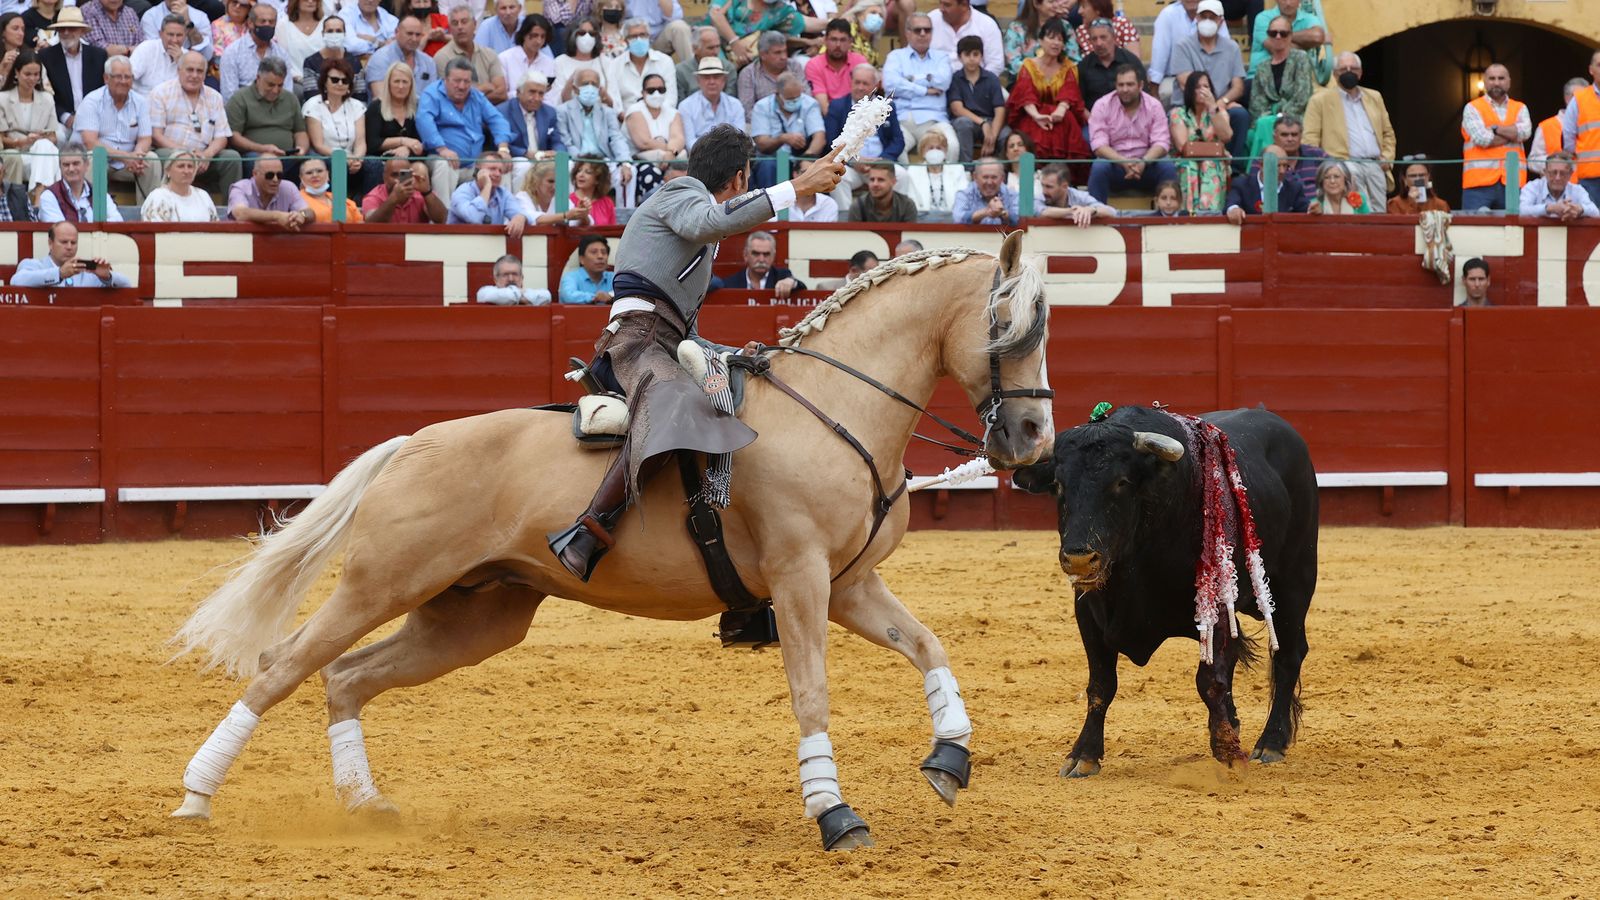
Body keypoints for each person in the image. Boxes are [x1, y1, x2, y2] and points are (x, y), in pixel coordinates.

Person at [547, 123, 844, 581]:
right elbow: (710, 223)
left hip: (661, 340)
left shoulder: (688, 216)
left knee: (741, 389)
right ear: (740, 178)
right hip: (637, 340)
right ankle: (590, 528)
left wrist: (725, 352)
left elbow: (686, 331)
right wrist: (797, 186)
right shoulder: (680, 193)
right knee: (677, 410)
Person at [1303, 51, 1394, 209]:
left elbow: (1388, 133)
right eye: (1343, 69)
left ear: (1360, 73)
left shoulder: (1374, 97)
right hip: (1343, 165)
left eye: (1353, 68)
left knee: (1380, 214)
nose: (1349, 72)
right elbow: (1310, 139)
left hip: (1375, 165)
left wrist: (1387, 158)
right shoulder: (1319, 100)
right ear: (1335, 74)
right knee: (1358, 211)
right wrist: (1328, 167)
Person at [1166, 0, 1247, 170]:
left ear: (1221, 21)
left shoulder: (1232, 47)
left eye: (1213, 17)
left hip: (1219, 105)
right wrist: (1213, 106)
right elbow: (1186, 83)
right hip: (1188, 105)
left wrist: (1219, 104)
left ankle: (1235, 170)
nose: (1208, 21)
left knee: (1240, 115)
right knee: (1176, 116)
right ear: (1197, 18)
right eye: (1204, 16)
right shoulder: (1183, 46)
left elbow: (1238, 86)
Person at [1006, 19, 1091, 174]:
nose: (1056, 43)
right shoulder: (1029, 65)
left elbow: (1069, 92)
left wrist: (1060, 110)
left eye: (1060, 39)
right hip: (1033, 114)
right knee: (1032, 135)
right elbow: (1025, 93)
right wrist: (1037, 115)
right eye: (1051, 38)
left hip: (1060, 115)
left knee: (1066, 128)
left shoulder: (1069, 67)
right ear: (1040, 40)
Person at [419, 57, 513, 197]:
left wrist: (503, 148)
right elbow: (424, 121)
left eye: (467, 81)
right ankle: (444, 216)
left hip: (474, 164)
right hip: (442, 158)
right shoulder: (432, 94)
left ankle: (504, 216)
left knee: (501, 164)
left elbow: (497, 119)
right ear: (445, 79)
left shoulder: (476, 96)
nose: (462, 86)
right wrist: (442, 149)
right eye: (457, 81)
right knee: (444, 165)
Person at [150, 51, 244, 190]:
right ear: (179, 71)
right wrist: (184, 153)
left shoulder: (215, 97)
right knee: (162, 156)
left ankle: (232, 208)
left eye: (199, 71)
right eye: (190, 70)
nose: (194, 75)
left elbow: (222, 137)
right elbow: (156, 135)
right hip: (171, 152)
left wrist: (207, 155)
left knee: (232, 158)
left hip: (203, 157)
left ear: (205, 74)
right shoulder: (161, 92)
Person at [1087, 63, 1175, 202]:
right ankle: (1096, 215)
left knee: (1167, 165)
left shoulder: (1154, 106)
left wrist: (1143, 162)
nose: (1125, 89)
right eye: (1120, 85)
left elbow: (1162, 143)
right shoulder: (1102, 105)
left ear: (1140, 85)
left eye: (1130, 84)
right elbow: (1099, 145)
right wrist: (1123, 162)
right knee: (1099, 166)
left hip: (1146, 166)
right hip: (1115, 166)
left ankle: (1169, 219)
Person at [822, 63, 901, 209]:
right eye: (857, 82)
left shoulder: (886, 106)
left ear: (875, 85)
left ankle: (898, 220)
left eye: (865, 83)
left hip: (881, 164)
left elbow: (898, 141)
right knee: (836, 178)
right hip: (851, 167)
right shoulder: (837, 106)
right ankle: (845, 222)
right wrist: (852, 160)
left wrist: (882, 161)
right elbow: (830, 142)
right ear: (851, 82)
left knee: (904, 176)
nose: (860, 87)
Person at [882, 13, 957, 163]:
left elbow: (943, 82)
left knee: (952, 146)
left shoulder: (941, 57)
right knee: (893, 149)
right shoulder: (895, 56)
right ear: (907, 33)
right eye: (918, 30)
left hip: (933, 120)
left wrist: (910, 79)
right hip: (901, 121)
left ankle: (946, 184)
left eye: (927, 30)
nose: (923, 34)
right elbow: (890, 85)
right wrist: (925, 90)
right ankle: (910, 185)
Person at [1460, 64, 1530, 213]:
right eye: (1492, 78)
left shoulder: (1520, 107)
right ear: (1485, 81)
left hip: (1513, 182)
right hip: (1478, 184)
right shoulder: (1472, 108)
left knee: (1513, 231)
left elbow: (1525, 133)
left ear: (1509, 81)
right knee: (1475, 231)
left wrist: (1495, 129)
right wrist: (1512, 135)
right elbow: (1482, 139)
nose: (1497, 82)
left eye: (1501, 78)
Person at [227, 56, 310, 181]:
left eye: (280, 85)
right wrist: (262, 149)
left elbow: (300, 131)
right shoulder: (240, 98)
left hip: (289, 155)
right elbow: (234, 136)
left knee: (316, 161)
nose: (275, 90)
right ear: (258, 78)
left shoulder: (290, 98)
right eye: (270, 85)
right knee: (256, 162)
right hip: (256, 154)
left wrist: (301, 148)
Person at [1168, 71, 1232, 215]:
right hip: (1185, 162)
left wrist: (1212, 109)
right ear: (1190, 90)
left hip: (1215, 162)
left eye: (1206, 86)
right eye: (1198, 87)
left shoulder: (1219, 112)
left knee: (1210, 164)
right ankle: (1188, 214)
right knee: (1190, 165)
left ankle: (1210, 214)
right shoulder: (1178, 113)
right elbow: (1183, 147)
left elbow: (1227, 136)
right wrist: (1212, 148)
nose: (1202, 90)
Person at [749, 72, 823, 188]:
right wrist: (782, 139)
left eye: (798, 97)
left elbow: (820, 137)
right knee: (768, 165)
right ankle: (769, 205)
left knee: (811, 167)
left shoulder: (810, 104)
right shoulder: (761, 107)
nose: (795, 101)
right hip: (772, 159)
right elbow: (762, 143)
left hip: (801, 155)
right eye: (790, 99)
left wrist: (806, 158)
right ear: (777, 94)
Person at [40, 8, 105, 137]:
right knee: (58, 137)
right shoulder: (46, 57)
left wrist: (90, 117)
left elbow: (104, 91)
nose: (66, 32)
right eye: (62, 29)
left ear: (82, 31)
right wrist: (66, 117)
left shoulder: (98, 56)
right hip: (61, 121)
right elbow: (45, 93)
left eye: (72, 28)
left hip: (95, 119)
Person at [302, 56, 365, 186]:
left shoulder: (357, 106)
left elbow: (360, 142)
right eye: (335, 80)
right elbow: (318, 145)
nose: (340, 84)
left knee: (374, 165)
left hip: (352, 158)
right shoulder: (313, 105)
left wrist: (357, 158)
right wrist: (343, 157)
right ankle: (338, 205)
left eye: (345, 80)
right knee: (338, 164)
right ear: (325, 82)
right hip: (327, 157)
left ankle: (367, 204)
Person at [0, 50, 57, 192]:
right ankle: (35, 198)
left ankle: (39, 196)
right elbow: (1, 139)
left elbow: (53, 136)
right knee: (39, 153)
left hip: (38, 154)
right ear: (17, 73)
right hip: (13, 152)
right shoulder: (3, 98)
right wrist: (22, 142)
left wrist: (39, 139)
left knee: (45, 146)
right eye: (28, 74)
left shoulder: (47, 99)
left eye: (36, 74)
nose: (32, 79)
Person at [12, 222, 133, 287]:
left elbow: (127, 285)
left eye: (73, 242)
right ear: (50, 243)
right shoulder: (34, 265)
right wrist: (59, 274)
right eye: (64, 242)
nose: (69, 247)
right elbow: (16, 281)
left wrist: (107, 277)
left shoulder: (88, 272)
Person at [622, 71, 681, 202]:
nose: (656, 94)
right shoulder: (635, 110)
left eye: (661, 90)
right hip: (639, 162)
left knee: (681, 173)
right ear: (643, 92)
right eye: (651, 90)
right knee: (651, 173)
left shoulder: (672, 112)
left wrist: (671, 153)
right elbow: (643, 143)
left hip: (669, 160)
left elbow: (678, 138)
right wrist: (670, 150)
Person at [948, 34, 1006, 163]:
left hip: (990, 121)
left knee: (1007, 135)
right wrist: (982, 123)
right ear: (959, 57)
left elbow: (1000, 110)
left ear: (981, 56)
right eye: (967, 55)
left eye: (975, 54)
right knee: (963, 123)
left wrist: (993, 136)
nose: (972, 59)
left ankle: (1002, 172)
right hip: (968, 121)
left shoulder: (991, 78)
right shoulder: (955, 79)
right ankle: (966, 169)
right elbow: (957, 109)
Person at [219, 4, 296, 101]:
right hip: (245, 109)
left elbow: (287, 91)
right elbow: (229, 95)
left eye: (271, 22)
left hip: (276, 110)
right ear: (251, 23)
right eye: (263, 21)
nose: (267, 25)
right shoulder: (232, 53)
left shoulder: (281, 54)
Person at [434, 3, 507, 104]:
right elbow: (452, 97)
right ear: (450, 29)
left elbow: (502, 94)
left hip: (489, 116)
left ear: (475, 24)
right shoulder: (442, 57)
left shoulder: (490, 54)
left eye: (464, 22)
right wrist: (485, 87)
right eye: (455, 23)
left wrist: (470, 94)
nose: (460, 27)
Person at [37, 143, 124, 222]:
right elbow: (60, 230)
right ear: (60, 167)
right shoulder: (49, 196)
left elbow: (118, 221)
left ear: (86, 165)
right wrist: (96, 226)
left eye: (76, 163)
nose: (71, 169)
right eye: (66, 165)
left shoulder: (99, 194)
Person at [1248, 14, 1313, 121]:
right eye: (1273, 33)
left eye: (1283, 33)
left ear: (1291, 36)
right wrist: (1269, 116)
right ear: (1268, 35)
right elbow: (1256, 102)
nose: (1278, 37)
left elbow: (1302, 97)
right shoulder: (1262, 67)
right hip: (1268, 119)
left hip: (1295, 118)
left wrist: (1279, 115)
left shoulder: (1301, 58)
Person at [446, 152, 527, 236]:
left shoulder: (503, 193)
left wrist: (520, 217)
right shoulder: (462, 191)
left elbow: (518, 212)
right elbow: (474, 218)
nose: (498, 174)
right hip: (461, 244)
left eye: (500, 170)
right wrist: (487, 186)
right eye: (492, 169)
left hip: (490, 247)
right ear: (478, 170)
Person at [735, 30, 804, 129]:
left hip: (797, 122)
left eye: (785, 51)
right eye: (777, 53)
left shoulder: (794, 66)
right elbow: (747, 111)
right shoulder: (748, 74)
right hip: (763, 127)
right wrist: (775, 124)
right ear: (763, 55)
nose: (783, 57)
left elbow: (806, 97)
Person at [605, 16, 674, 112]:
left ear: (649, 37)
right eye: (633, 37)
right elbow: (615, 102)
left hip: (660, 118)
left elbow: (670, 99)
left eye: (642, 35)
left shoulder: (665, 61)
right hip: (627, 120)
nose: (639, 39)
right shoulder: (614, 65)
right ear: (625, 41)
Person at [1076, 16, 1142, 116]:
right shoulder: (1084, 66)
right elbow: (1079, 103)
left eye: (1103, 37)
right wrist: (1093, 122)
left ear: (1114, 38)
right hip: (1094, 120)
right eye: (1094, 39)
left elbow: (1144, 96)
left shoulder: (1131, 61)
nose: (1099, 43)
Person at [1558, 52, 1600, 208]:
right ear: (1591, 70)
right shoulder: (1580, 99)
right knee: (1590, 227)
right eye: (1599, 65)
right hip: (1590, 178)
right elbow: (1568, 138)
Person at [502, 71, 563, 177]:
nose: (537, 98)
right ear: (518, 92)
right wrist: (525, 153)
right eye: (532, 92)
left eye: (541, 93)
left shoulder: (549, 112)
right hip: (518, 158)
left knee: (567, 165)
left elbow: (557, 140)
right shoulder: (503, 112)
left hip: (544, 159)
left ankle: (564, 195)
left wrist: (557, 153)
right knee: (524, 166)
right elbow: (501, 143)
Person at [1224, 143, 1305, 222]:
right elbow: (1232, 203)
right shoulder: (1241, 184)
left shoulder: (1294, 188)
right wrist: (1234, 210)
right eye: (1278, 166)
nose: (1282, 171)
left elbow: (1306, 209)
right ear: (1262, 165)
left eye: (1285, 166)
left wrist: (1314, 209)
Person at [227, 155, 312, 228]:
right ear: (255, 174)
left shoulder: (289, 187)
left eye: (279, 175)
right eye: (269, 175)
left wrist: (302, 216)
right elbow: (241, 214)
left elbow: (309, 212)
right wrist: (276, 216)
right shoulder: (241, 188)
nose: (275, 179)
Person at [362, 12, 433, 100]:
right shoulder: (380, 58)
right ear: (396, 32)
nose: (414, 39)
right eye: (409, 34)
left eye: (418, 35)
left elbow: (433, 98)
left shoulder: (429, 62)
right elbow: (380, 99)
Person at [678, 56, 742, 149]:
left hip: (729, 157)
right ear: (698, 80)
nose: (712, 82)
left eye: (716, 77)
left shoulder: (735, 105)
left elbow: (739, 138)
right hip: (699, 158)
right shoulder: (686, 106)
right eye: (706, 77)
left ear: (724, 80)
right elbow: (690, 142)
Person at [302, 15, 369, 101]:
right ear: (323, 34)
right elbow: (311, 95)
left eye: (338, 31)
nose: (334, 34)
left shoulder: (354, 62)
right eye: (330, 31)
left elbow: (360, 95)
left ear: (344, 34)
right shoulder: (311, 62)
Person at [902, 128, 967, 217]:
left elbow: (963, 198)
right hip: (922, 218)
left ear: (945, 151)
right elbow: (911, 198)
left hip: (952, 218)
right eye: (930, 148)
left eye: (939, 148)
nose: (935, 151)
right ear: (923, 152)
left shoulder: (957, 169)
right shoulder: (913, 171)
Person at [361, 156, 447, 222]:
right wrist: (393, 199)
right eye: (394, 175)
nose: (398, 179)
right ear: (384, 177)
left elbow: (442, 219)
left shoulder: (419, 192)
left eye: (403, 174)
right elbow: (371, 224)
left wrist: (427, 192)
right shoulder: (374, 196)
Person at [139, 149, 218, 220]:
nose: (186, 171)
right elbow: (154, 230)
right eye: (181, 166)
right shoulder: (159, 196)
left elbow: (216, 226)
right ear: (168, 171)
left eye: (190, 166)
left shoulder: (203, 196)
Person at [1530, 78, 1586, 176]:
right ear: (1567, 98)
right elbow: (1532, 162)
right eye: (1580, 97)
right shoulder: (1546, 126)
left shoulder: (1595, 126)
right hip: (1557, 188)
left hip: (1592, 185)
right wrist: (1555, 162)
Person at [928, 0, 1000, 76]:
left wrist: (978, 84)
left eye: (947, 5)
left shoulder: (987, 24)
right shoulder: (930, 20)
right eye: (940, 3)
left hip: (976, 84)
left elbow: (995, 64)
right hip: (934, 83)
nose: (941, 9)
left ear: (964, 6)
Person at [722, 229, 807, 294]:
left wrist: (792, 282)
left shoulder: (782, 276)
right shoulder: (731, 283)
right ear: (745, 255)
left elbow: (802, 288)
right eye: (755, 254)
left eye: (766, 254)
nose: (761, 259)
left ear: (773, 256)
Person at [1519, 152, 1598, 221]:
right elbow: (1520, 211)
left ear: (1570, 174)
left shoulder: (1577, 190)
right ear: (1545, 172)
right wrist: (1549, 208)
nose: (1558, 178)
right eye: (1553, 172)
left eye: (1563, 173)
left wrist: (1579, 209)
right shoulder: (1532, 187)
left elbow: (1596, 212)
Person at [804, 18, 864, 108]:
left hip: (856, 115)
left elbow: (865, 99)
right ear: (825, 40)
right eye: (833, 39)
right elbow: (823, 106)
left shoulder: (859, 62)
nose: (838, 45)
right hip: (827, 117)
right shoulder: (814, 65)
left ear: (850, 42)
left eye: (843, 40)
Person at [514, 158, 592, 225]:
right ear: (536, 181)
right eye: (550, 181)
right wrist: (566, 216)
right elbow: (534, 220)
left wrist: (582, 214)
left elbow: (585, 223)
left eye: (558, 182)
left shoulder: (560, 199)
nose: (555, 186)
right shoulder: (522, 197)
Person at [1037, 161, 1113, 226]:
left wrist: (1091, 210)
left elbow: (1111, 212)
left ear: (1064, 186)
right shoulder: (1039, 196)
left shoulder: (1079, 196)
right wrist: (1073, 211)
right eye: (1042, 185)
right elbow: (1042, 212)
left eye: (1049, 187)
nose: (1044, 191)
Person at [1147, 0, 1198, 95]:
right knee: (1167, 93)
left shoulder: (1214, 13)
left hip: (1208, 78)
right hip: (1173, 78)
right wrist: (1154, 90)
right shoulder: (1168, 14)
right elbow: (1159, 54)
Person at [551, 19, 606, 105]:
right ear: (573, 35)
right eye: (582, 33)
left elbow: (613, 101)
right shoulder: (560, 61)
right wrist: (572, 80)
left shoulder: (605, 62)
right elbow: (557, 99)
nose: (587, 37)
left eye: (592, 34)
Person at [130, 13, 186, 95]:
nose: (174, 40)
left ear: (185, 36)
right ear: (161, 34)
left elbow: (194, 88)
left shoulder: (188, 57)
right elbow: (127, 76)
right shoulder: (146, 48)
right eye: (170, 34)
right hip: (144, 102)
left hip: (173, 104)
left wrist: (182, 63)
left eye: (179, 35)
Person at [277, 0, 327, 92]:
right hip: (295, 81)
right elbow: (282, 58)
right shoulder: (283, 25)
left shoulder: (327, 23)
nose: (311, 1)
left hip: (325, 80)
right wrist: (297, 78)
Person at [952, 157, 1018, 225]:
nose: (989, 182)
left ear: (1002, 178)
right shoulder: (964, 195)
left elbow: (1021, 220)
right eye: (985, 177)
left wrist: (1002, 213)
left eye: (994, 177)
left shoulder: (1012, 195)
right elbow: (957, 218)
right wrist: (986, 212)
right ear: (975, 177)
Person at [500, 14, 556, 92]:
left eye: (542, 36)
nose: (538, 41)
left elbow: (551, 97)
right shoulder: (505, 59)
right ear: (524, 34)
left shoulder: (549, 63)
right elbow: (503, 94)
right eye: (534, 35)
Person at [297, 155, 363, 221]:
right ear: (301, 178)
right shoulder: (296, 199)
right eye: (309, 173)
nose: (315, 175)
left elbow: (360, 223)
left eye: (319, 171)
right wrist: (303, 215)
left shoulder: (343, 200)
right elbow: (298, 214)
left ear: (327, 174)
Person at [847, 159, 916, 222]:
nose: (875, 184)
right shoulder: (858, 207)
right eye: (872, 179)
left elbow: (909, 235)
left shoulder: (907, 206)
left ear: (893, 182)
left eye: (880, 180)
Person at [1250, 0, 1325, 55]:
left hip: (1297, 74)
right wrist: (1307, 45)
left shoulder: (1308, 18)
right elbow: (1278, 50)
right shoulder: (1263, 18)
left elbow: (1317, 36)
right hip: (1262, 74)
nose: (1288, 3)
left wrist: (1280, 36)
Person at [1069, 0, 1139, 59]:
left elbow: (1135, 60)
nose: (1079, 11)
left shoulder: (1122, 24)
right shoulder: (1081, 31)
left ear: (1097, 9)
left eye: (1083, 6)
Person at [558, 232, 614, 304]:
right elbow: (568, 296)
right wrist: (595, 297)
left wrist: (610, 296)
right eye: (594, 252)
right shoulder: (571, 277)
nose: (600, 256)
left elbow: (628, 293)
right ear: (582, 259)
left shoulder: (614, 277)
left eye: (603, 252)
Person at [477, 253, 553, 305]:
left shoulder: (527, 292)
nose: (511, 279)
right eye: (505, 274)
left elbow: (547, 295)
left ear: (522, 278)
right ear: (495, 279)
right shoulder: (486, 292)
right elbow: (485, 296)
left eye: (515, 274)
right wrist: (523, 298)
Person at [1307, 159, 1371, 215]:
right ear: (1321, 182)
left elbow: (1369, 225)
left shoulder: (1359, 198)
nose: (1332, 181)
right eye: (1327, 177)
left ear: (1345, 180)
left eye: (1336, 176)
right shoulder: (1315, 204)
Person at [674, 25, 721, 99]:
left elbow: (730, 102)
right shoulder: (680, 71)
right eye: (710, 48)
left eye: (718, 46)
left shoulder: (728, 68)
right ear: (695, 49)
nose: (716, 52)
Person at [786, 157, 839, 222]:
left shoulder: (828, 204)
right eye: (805, 172)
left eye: (815, 174)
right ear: (795, 174)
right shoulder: (782, 202)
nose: (810, 178)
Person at [569, 158, 614, 225]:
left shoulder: (607, 202)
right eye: (579, 171)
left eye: (588, 172)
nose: (581, 175)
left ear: (597, 180)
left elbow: (612, 230)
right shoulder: (568, 200)